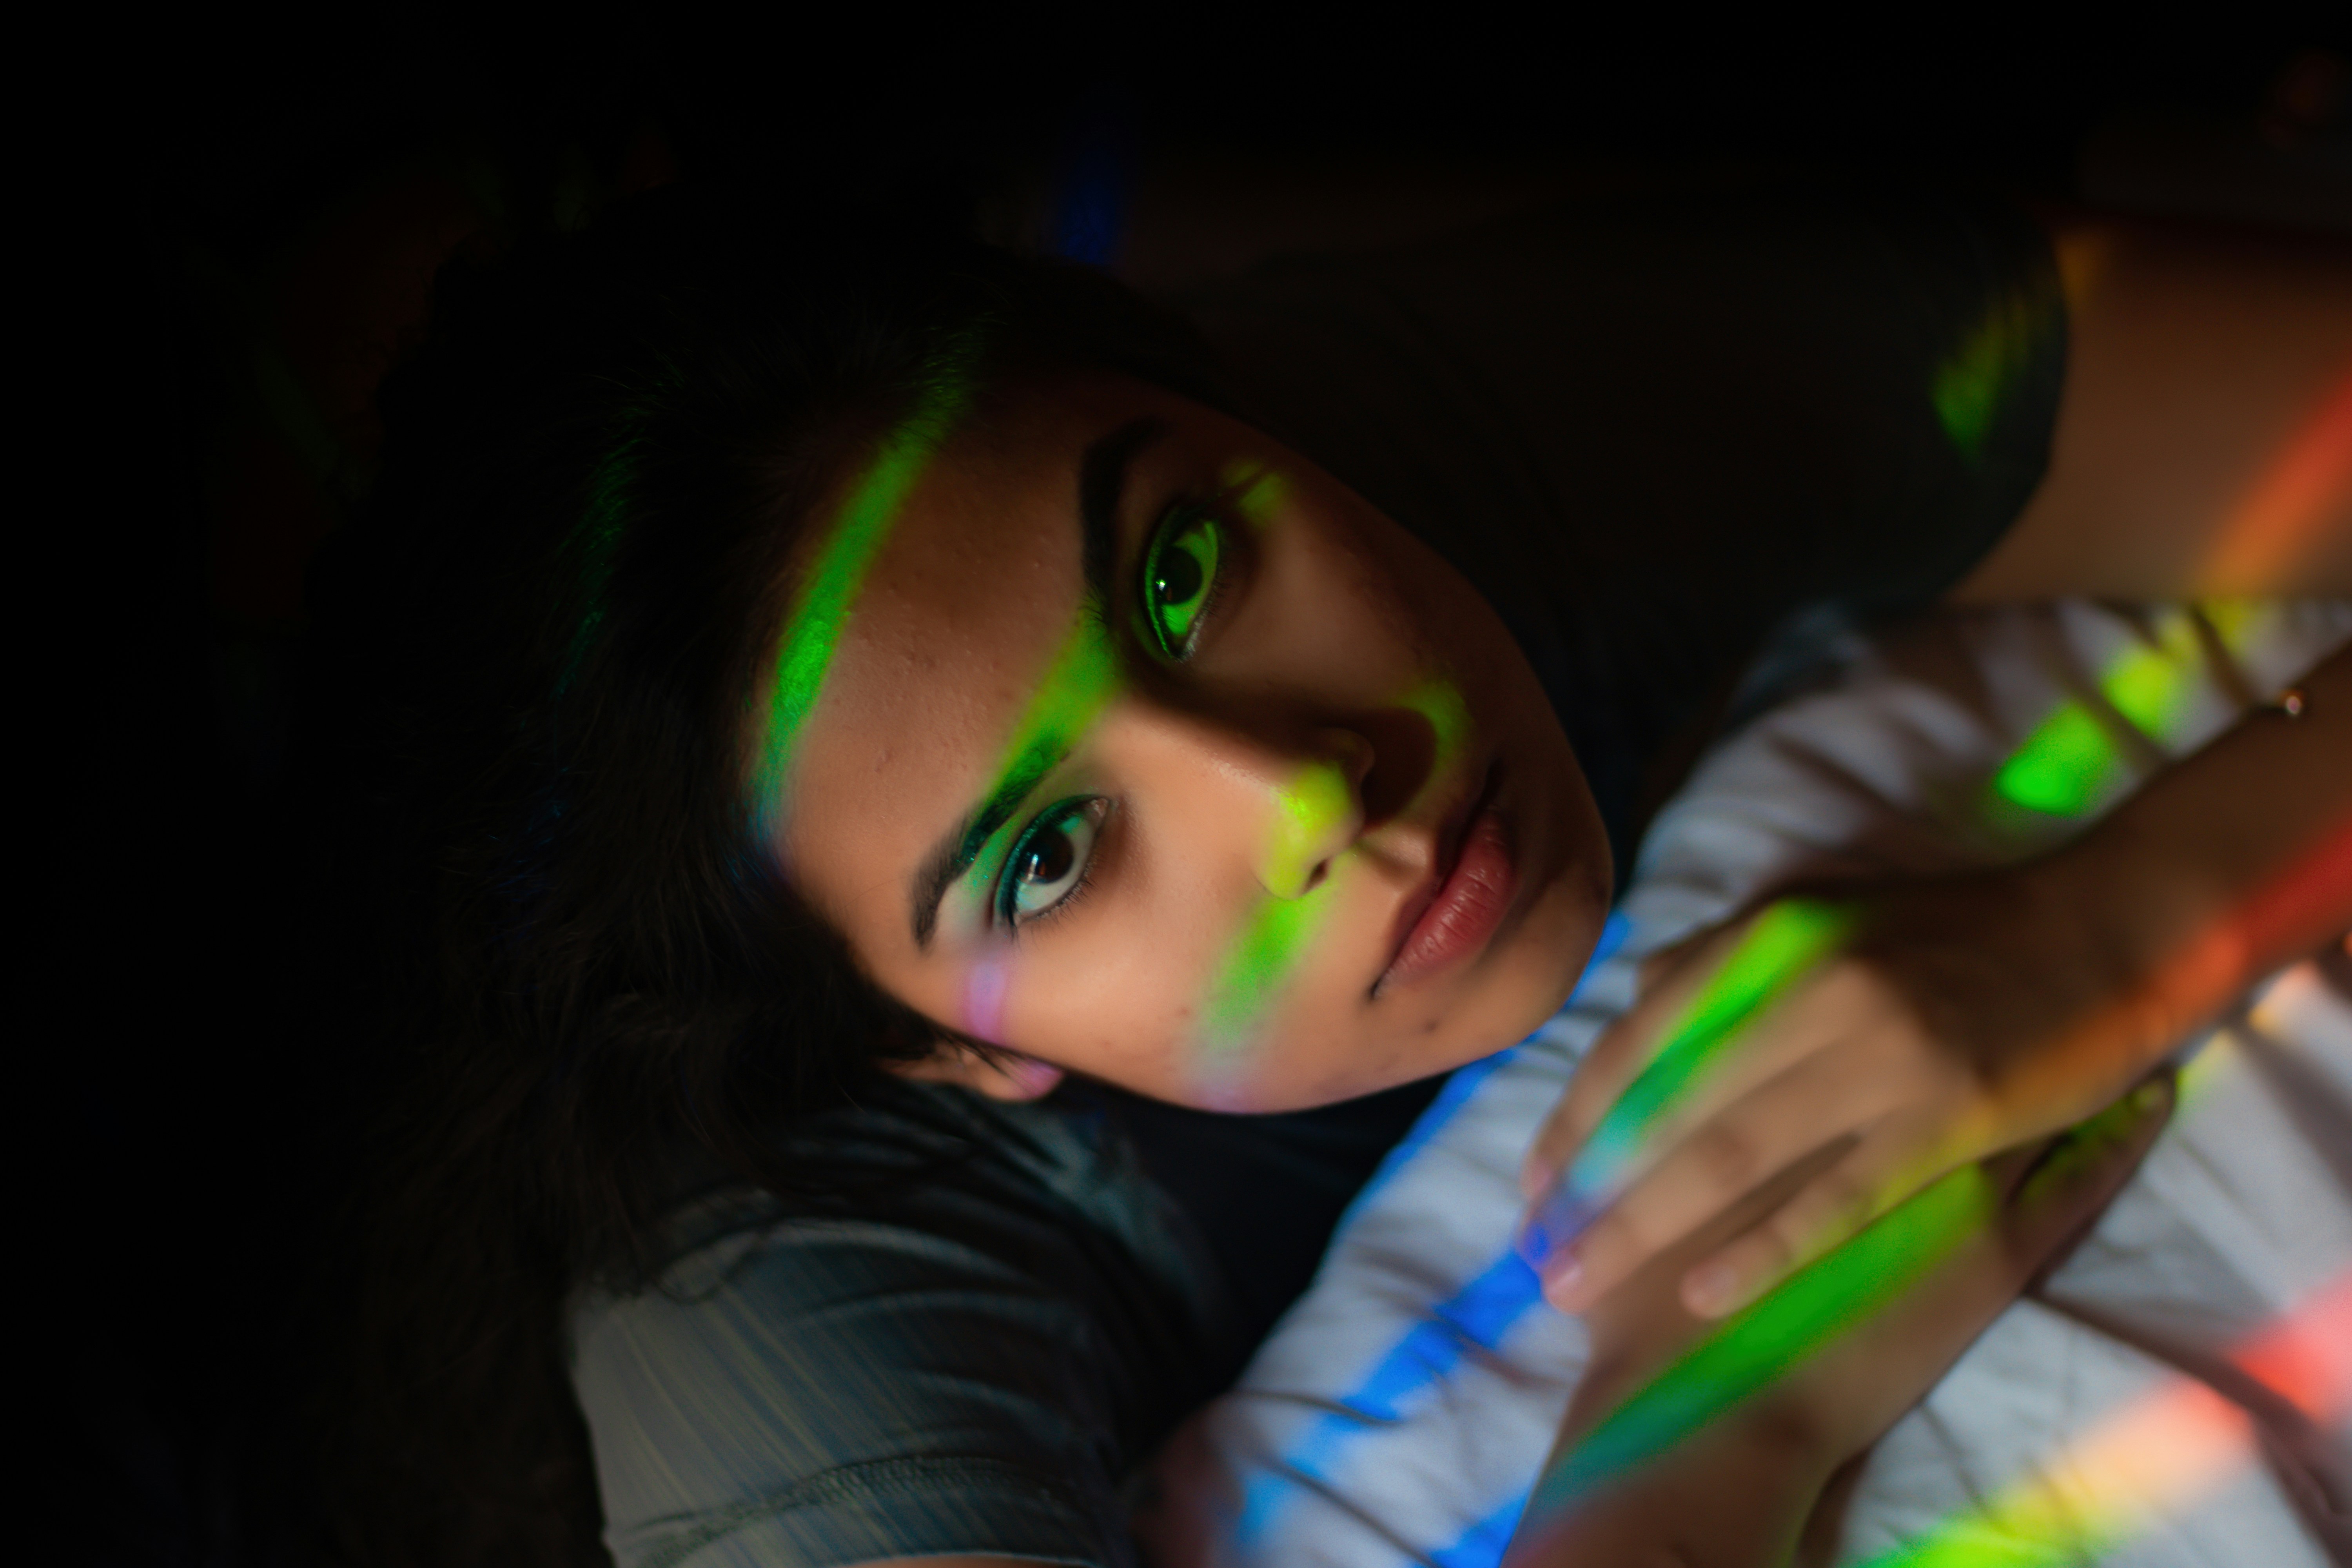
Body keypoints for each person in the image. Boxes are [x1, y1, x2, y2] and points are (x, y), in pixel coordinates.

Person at [309, 169, 2351, 1568]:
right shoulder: (785, 1327)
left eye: (1181, 575)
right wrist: (1691, 1462)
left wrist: (2138, 916)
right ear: (934, 1051)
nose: (1306, 794)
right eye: (1050, 856)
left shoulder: (1436, 422)